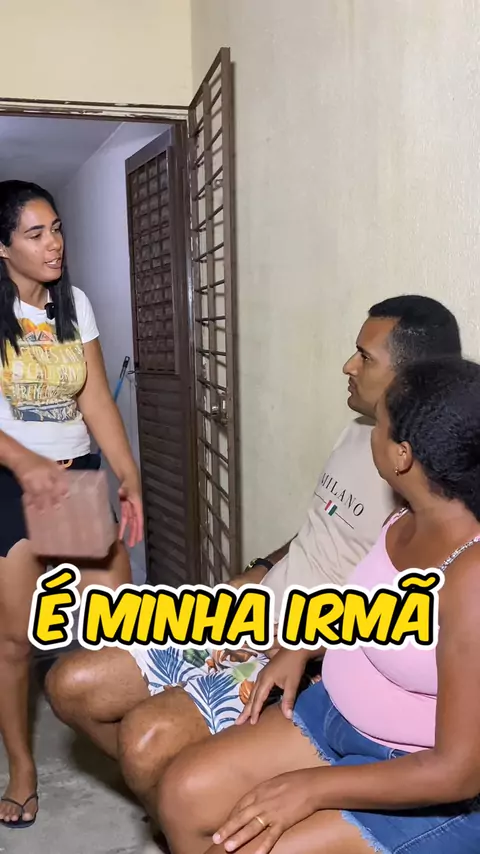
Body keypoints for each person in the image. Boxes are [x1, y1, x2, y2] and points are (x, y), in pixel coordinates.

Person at [45, 295, 462, 820]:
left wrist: (305, 650)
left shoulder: (423, 484)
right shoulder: (361, 433)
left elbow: (400, 622)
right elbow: (322, 529)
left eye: (364, 357)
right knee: (69, 685)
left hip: (297, 649)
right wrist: (260, 569)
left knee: (146, 740)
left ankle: (187, 803)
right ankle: (176, 800)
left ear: (411, 377)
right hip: (252, 610)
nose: (348, 366)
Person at [154, 356, 480, 854]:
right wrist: (306, 645)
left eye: (380, 425)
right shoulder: (408, 514)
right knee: (183, 795)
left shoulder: (470, 578)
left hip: (418, 772)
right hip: (334, 714)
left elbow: (458, 771)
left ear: (403, 456)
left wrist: (312, 788)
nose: (370, 433)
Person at [0, 180, 143, 828]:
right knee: (14, 641)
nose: (53, 243)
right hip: (13, 485)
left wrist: (126, 474)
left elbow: (94, 399)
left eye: (56, 228)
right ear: (3, 247)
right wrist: (24, 461)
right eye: (35, 234)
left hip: (77, 478)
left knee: (122, 621)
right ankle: (22, 769)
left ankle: (141, 746)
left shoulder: (73, 303)